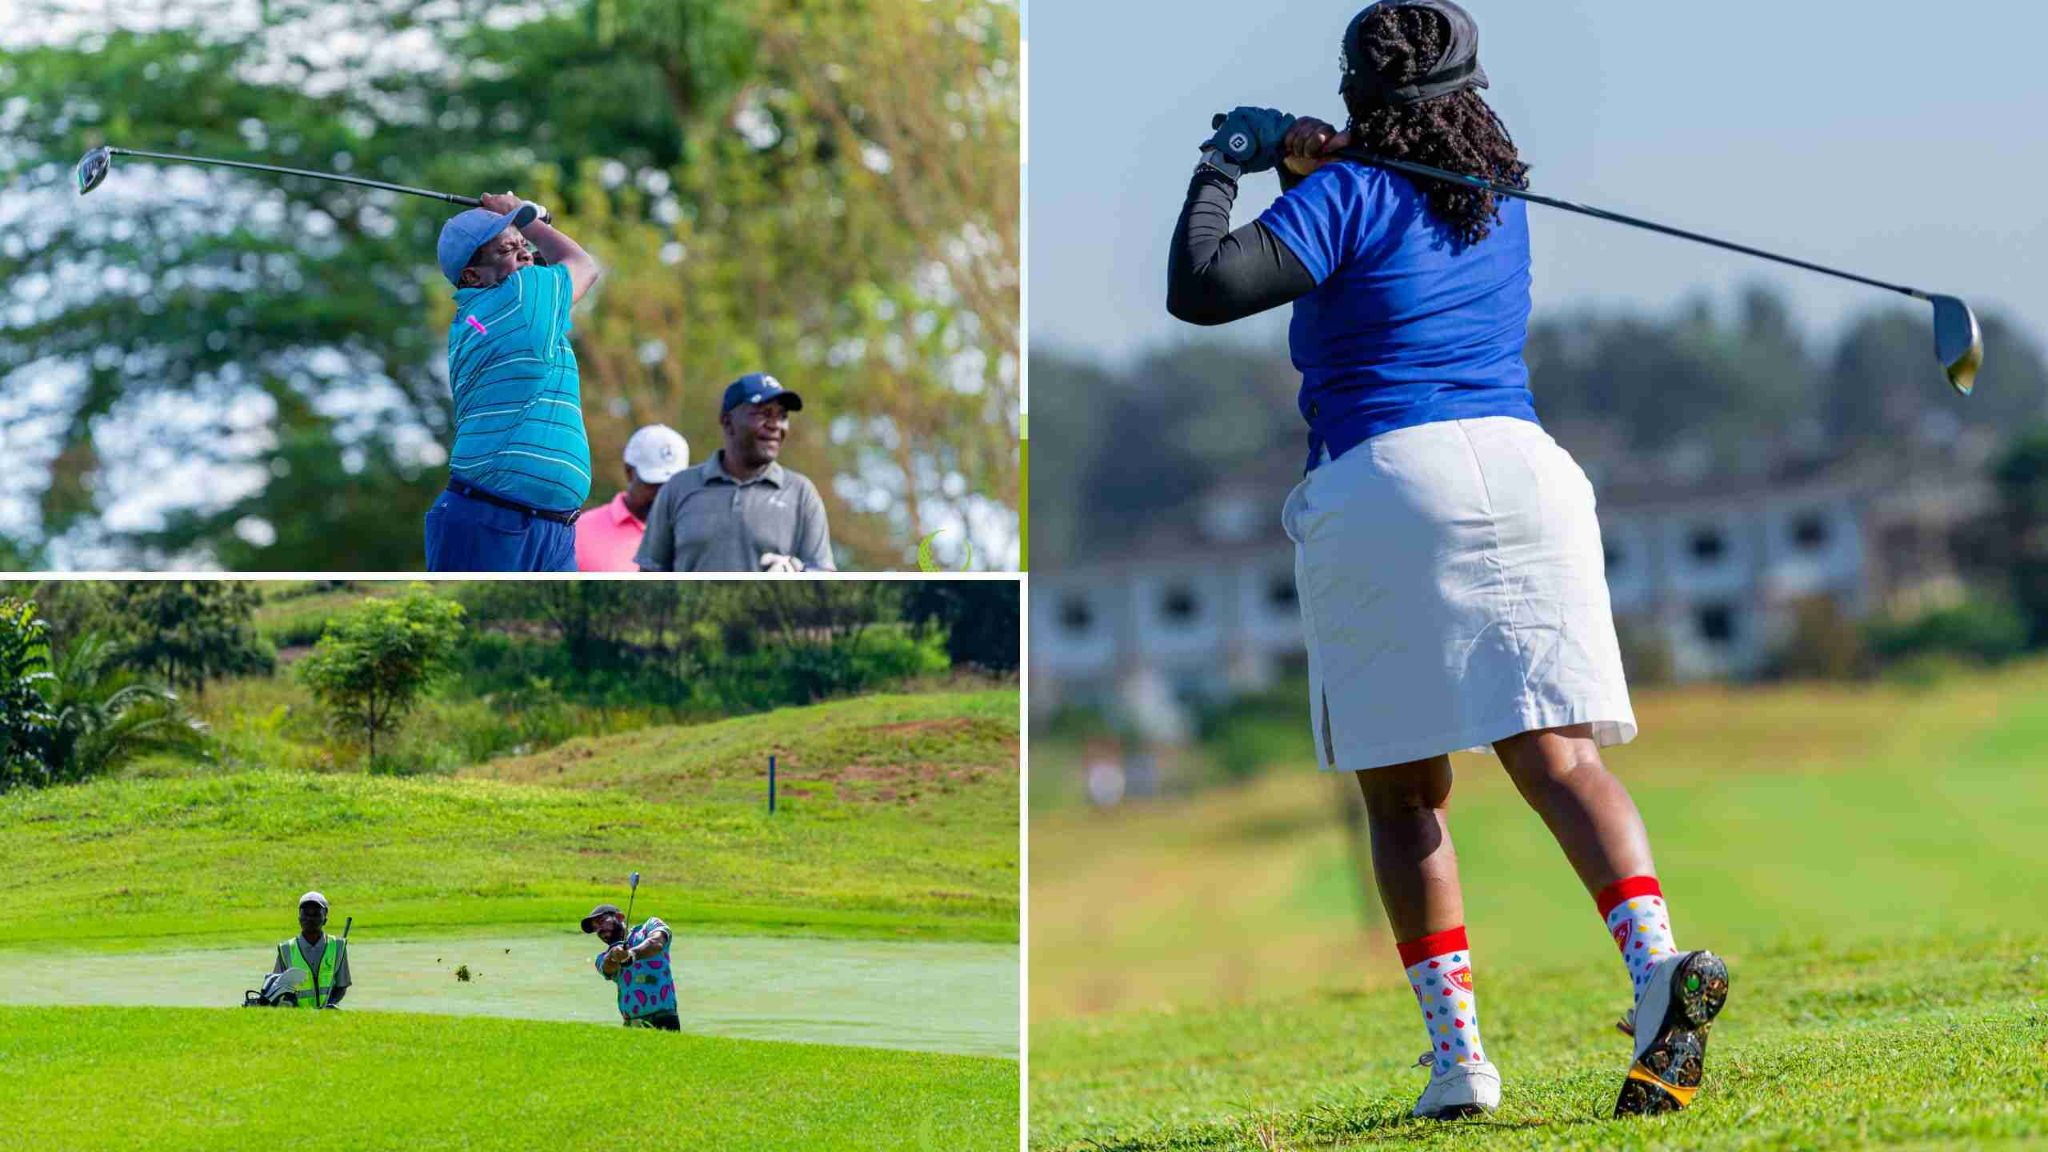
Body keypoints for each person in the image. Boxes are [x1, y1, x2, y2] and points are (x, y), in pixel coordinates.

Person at [1165, 0, 1727, 1121]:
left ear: (1356, 91)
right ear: (1469, 95)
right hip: (1526, 471)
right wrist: (1304, 169)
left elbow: (1204, 286)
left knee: (1406, 795)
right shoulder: (1495, 203)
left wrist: (1224, 163)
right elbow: (1363, 266)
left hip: (1387, 483)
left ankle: (1457, 1060)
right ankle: (1655, 965)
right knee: (1560, 761)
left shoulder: (1346, 190)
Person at [422, 192, 602, 572]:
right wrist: (527, 217)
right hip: (492, 520)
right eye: (508, 249)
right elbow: (582, 265)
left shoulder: (485, 313)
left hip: (552, 527)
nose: (524, 254)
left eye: (525, 246)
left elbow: (547, 264)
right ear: (472, 276)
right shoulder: (517, 298)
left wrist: (523, 225)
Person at [634, 373, 836, 572]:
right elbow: (649, 579)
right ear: (727, 421)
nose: (776, 425)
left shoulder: (801, 493)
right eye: (764, 413)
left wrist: (798, 577)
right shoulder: (677, 488)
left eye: (782, 416)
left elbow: (823, 578)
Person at [575, 424, 690, 572]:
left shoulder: (696, 533)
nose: (663, 495)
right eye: (654, 484)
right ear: (629, 471)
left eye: (672, 486)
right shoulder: (580, 532)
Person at [579, 902, 679, 1030]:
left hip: (664, 1019)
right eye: (595, 928)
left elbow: (656, 943)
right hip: (631, 1024)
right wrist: (615, 955)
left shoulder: (650, 926)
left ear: (620, 917)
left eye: (601, 921)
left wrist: (631, 954)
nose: (599, 929)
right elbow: (608, 967)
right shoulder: (603, 957)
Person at [270, 891, 350, 1009]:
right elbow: (277, 989)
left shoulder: (338, 946)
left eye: (316, 914)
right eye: (305, 913)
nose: (310, 918)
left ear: (325, 919)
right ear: (299, 918)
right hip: (297, 1017)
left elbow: (341, 986)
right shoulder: (285, 949)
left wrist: (331, 1004)